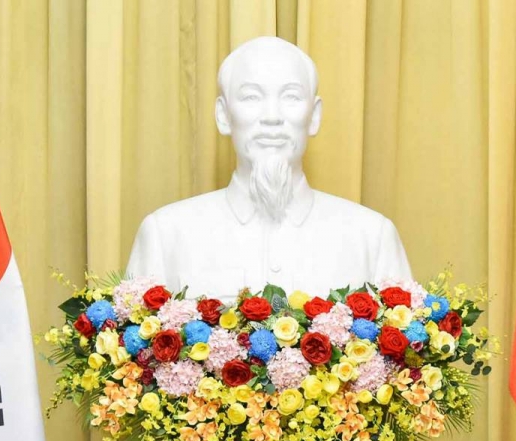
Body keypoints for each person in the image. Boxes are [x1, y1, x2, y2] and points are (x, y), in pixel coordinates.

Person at [126, 36, 412, 300]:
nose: (272, 117)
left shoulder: (372, 238)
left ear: (314, 116)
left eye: (291, 97)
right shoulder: (165, 235)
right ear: (223, 115)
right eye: (251, 97)